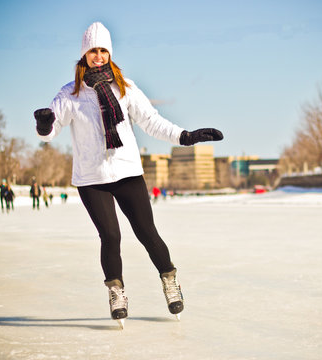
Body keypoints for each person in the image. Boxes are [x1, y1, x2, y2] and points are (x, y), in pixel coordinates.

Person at [33, 22, 223, 327]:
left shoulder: (126, 88)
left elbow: (152, 121)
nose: (98, 56)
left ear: (110, 53)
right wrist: (44, 125)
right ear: (84, 54)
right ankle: (116, 291)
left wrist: (185, 137)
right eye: (93, 50)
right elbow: (52, 129)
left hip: (127, 172)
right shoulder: (70, 93)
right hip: (92, 179)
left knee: (147, 232)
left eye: (103, 50)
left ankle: (169, 281)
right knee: (110, 236)